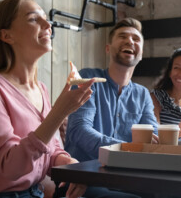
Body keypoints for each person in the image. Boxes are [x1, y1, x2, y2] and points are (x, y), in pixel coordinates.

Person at [0, 0, 92, 198]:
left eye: (46, 18)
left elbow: (50, 151)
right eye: (33, 19)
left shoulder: (41, 89)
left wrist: (72, 166)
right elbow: (12, 167)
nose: (47, 24)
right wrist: (59, 112)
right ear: (6, 36)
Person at [61, 18, 158, 198]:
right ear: (108, 48)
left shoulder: (143, 94)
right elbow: (79, 130)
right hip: (82, 178)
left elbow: (153, 138)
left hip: (127, 179)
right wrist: (126, 148)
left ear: (141, 53)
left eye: (136, 39)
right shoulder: (88, 78)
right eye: (123, 36)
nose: (130, 41)